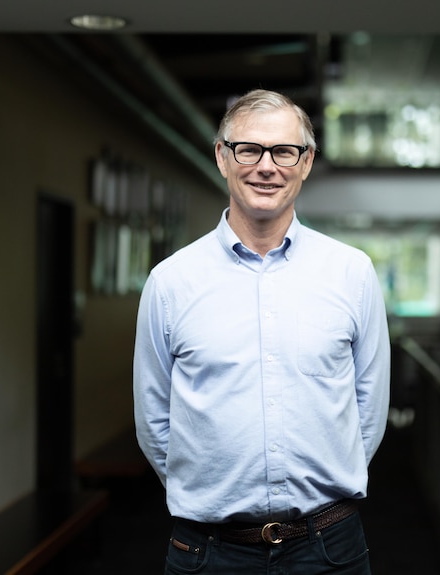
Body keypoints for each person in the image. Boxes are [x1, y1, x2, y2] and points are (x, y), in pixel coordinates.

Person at [133, 89, 391, 575]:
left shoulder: (352, 273)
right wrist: (212, 492)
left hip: (328, 549)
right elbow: (154, 422)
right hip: (209, 552)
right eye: (248, 149)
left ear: (307, 161)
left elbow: (369, 411)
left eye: (284, 151)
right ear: (222, 157)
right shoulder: (170, 282)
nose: (265, 166)